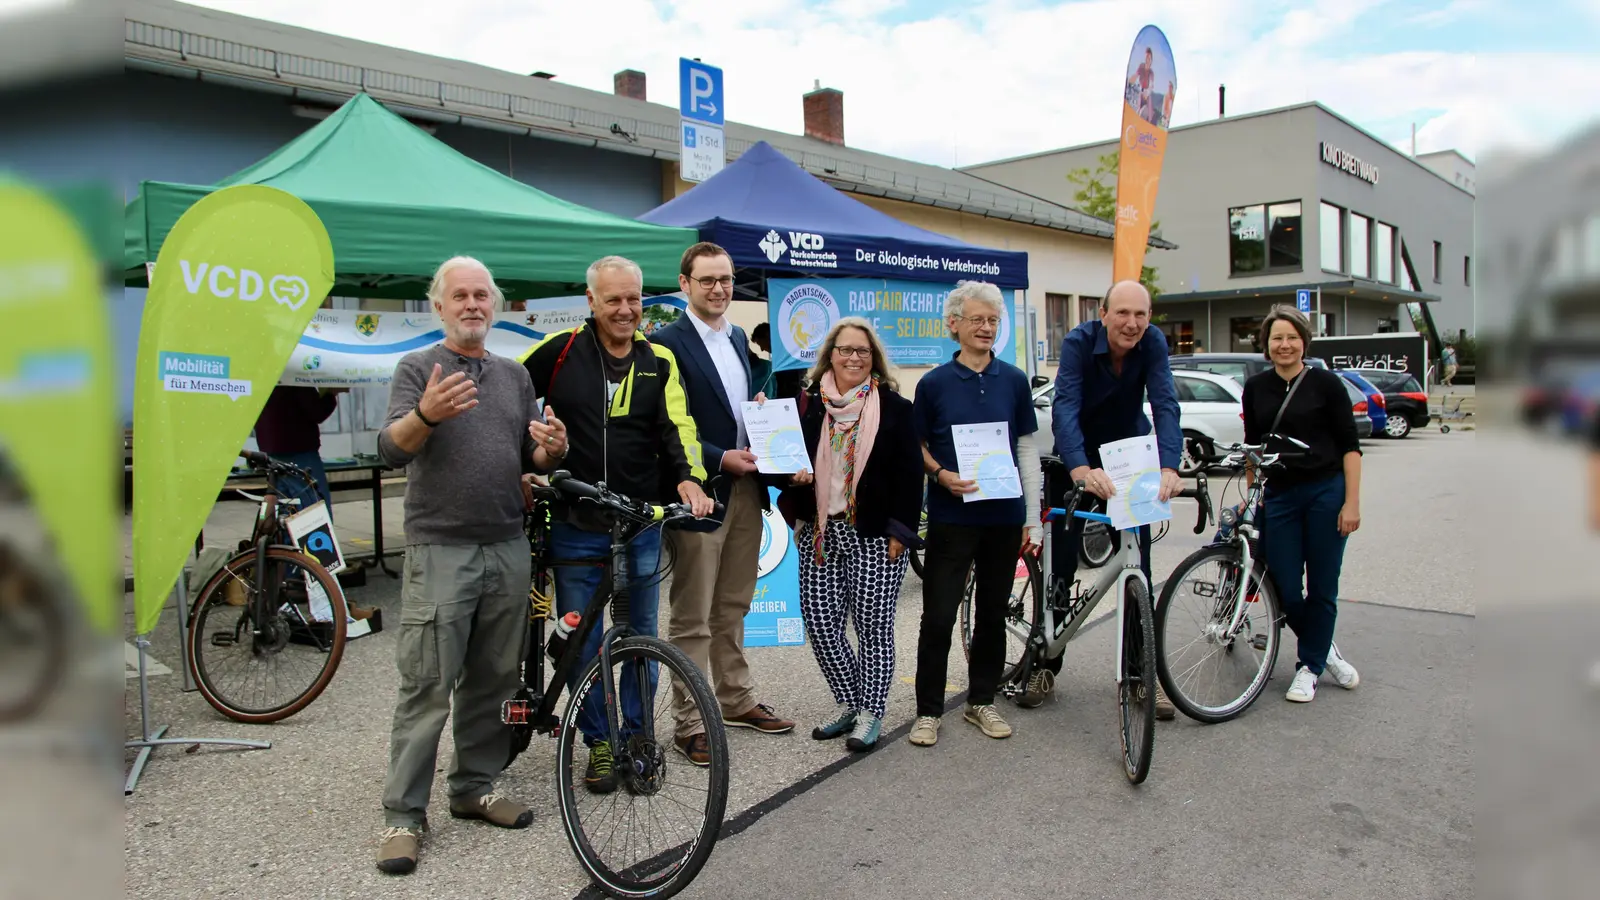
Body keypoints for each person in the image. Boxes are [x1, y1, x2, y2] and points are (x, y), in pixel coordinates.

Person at [376, 256, 569, 875]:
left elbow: (526, 456)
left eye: (481, 295)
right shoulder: (415, 368)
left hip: (507, 546)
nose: (472, 304)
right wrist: (427, 414)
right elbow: (388, 451)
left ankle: (473, 787)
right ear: (439, 306)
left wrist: (549, 448)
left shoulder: (514, 377)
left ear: (496, 304)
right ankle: (403, 817)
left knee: (493, 680)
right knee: (427, 686)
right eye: (459, 295)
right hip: (441, 549)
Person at [518, 255, 713, 793]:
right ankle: (598, 743)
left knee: (641, 640)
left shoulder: (660, 358)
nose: (626, 310)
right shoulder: (557, 355)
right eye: (614, 300)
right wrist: (524, 462)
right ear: (591, 302)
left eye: (634, 299)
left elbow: (680, 428)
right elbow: (508, 399)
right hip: (576, 523)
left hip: (638, 526)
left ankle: (637, 738)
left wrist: (690, 480)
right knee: (584, 643)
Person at [649, 242, 796, 766]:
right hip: (700, 493)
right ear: (684, 284)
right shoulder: (665, 344)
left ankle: (734, 700)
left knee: (733, 604)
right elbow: (664, 426)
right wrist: (718, 457)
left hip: (745, 490)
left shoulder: (737, 338)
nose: (719, 289)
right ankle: (690, 722)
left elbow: (733, 410)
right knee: (692, 614)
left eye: (726, 279)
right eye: (707, 280)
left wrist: (757, 415)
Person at [1035, 280, 1183, 719]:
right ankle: (1046, 664)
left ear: (1150, 317)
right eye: (1122, 313)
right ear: (1104, 313)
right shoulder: (1079, 343)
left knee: (1138, 567)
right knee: (1061, 565)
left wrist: (1170, 466)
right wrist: (1080, 467)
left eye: (1141, 314)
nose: (1132, 323)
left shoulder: (1152, 342)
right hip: (1076, 463)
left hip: (1129, 463)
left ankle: (1141, 675)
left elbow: (1165, 402)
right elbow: (1064, 407)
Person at [776, 318, 922, 752]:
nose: (854, 358)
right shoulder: (807, 407)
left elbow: (911, 477)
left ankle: (870, 713)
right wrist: (791, 476)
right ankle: (849, 702)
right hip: (821, 533)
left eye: (862, 351)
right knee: (821, 625)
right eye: (845, 350)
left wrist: (900, 530)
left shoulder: (895, 408)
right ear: (830, 355)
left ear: (873, 358)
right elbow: (784, 459)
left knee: (873, 628)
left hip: (875, 534)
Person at [908, 281, 1043, 748]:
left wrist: (1033, 518)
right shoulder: (933, 384)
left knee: (991, 613)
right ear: (954, 325)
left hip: (1004, 518)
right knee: (940, 615)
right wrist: (941, 475)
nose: (986, 328)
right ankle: (928, 711)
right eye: (978, 320)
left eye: (993, 321)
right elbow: (919, 447)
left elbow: (1026, 450)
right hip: (952, 516)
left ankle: (980, 701)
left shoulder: (1014, 380)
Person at [1242, 305, 1363, 704]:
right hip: (1280, 495)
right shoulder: (1256, 388)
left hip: (1326, 492)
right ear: (1266, 344)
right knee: (1284, 585)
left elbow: (1350, 446)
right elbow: (1254, 446)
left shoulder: (1327, 384)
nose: (1284, 345)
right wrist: (1252, 488)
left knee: (1323, 584)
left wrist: (1352, 503)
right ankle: (1323, 646)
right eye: (1276, 338)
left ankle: (1308, 667)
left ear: (1304, 341)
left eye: (1292, 337)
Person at [253, 385, 344, 519]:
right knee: (314, 511)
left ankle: (285, 539)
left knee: (284, 508)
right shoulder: (296, 377)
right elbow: (316, 411)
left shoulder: (265, 374)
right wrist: (330, 394)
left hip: (270, 447)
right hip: (299, 449)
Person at [747, 322, 778, 400]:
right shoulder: (770, 364)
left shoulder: (767, 365)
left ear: (767, 336)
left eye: (760, 343)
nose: (762, 349)